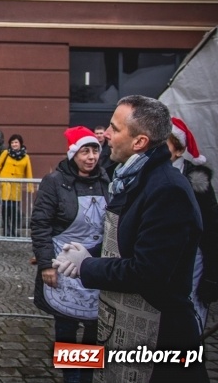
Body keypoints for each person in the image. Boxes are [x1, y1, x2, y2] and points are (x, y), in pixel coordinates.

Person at [54, 95, 208, 382]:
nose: (106, 135)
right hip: (126, 325)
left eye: (115, 128)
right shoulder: (132, 178)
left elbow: (148, 271)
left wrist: (87, 265)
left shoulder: (167, 190)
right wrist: (87, 252)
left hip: (161, 338)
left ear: (139, 142)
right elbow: (125, 240)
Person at [31, 126, 109, 383]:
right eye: (85, 151)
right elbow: (41, 225)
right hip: (62, 262)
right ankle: (71, 378)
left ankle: (85, 377)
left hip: (95, 262)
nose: (91, 157)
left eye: (94, 150)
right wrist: (46, 265)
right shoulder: (54, 182)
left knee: (94, 324)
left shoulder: (105, 180)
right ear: (73, 153)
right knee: (66, 325)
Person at [168, 116, 218, 333]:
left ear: (178, 150)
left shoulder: (196, 181)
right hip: (156, 265)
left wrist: (211, 277)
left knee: (188, 325)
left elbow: (212, 229)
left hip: (191, 265)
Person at [0, 134, 34, 237]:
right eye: (12, 142)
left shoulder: (26, 157)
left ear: (20, 143)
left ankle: (14, 229)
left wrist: (30, 186)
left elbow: (28, 171)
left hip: (16, 187)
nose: (14, 144)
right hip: (5, 185)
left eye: (16, 142)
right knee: (5, 209)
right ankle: (6, 229)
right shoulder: (6, 153)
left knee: (15, 211)